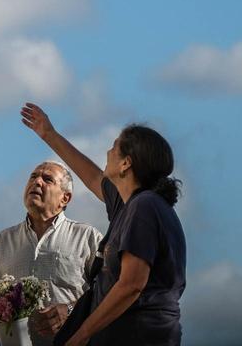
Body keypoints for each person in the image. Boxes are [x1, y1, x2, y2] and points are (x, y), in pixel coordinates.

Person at [20, 104, 187, 346]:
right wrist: (49, 134)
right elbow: (93, 177)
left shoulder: (145, 206)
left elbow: (131, 285)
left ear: (126, 164)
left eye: (114, 147)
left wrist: (80, 336)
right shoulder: (130, 205)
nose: (108, 152)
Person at [0, 161, 102, 346]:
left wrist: (69, 309)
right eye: (33, 177)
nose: (37, 182)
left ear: (65, 198)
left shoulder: (87, 237)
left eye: (47, 179)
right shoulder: (0, 242)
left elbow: (108, 292)